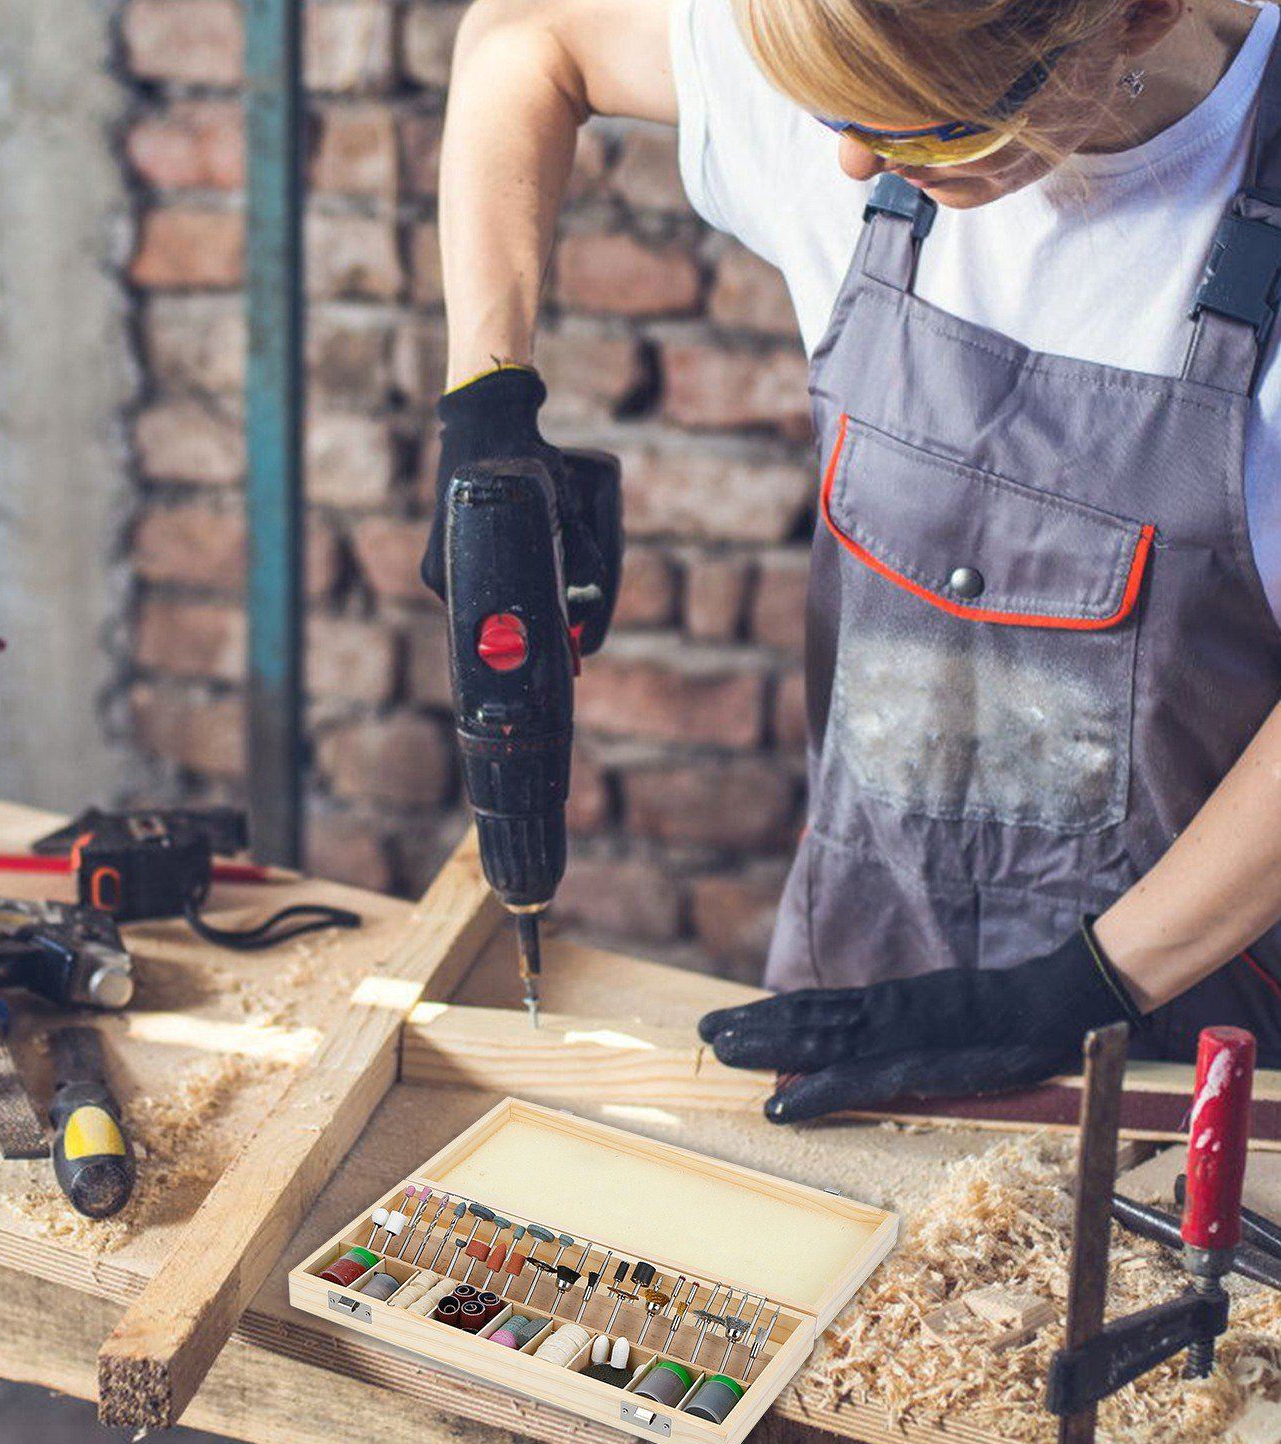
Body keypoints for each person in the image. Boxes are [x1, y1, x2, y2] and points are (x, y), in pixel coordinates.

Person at [423, 0, 1281, 1121]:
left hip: (1191, 1068)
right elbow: (522, 40)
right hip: (854, 1008)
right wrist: (489, 411)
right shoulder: (874, 48)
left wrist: (1080, 988)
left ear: (1140, 15)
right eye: (834, 108)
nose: (851, 158)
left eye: (927, 131)